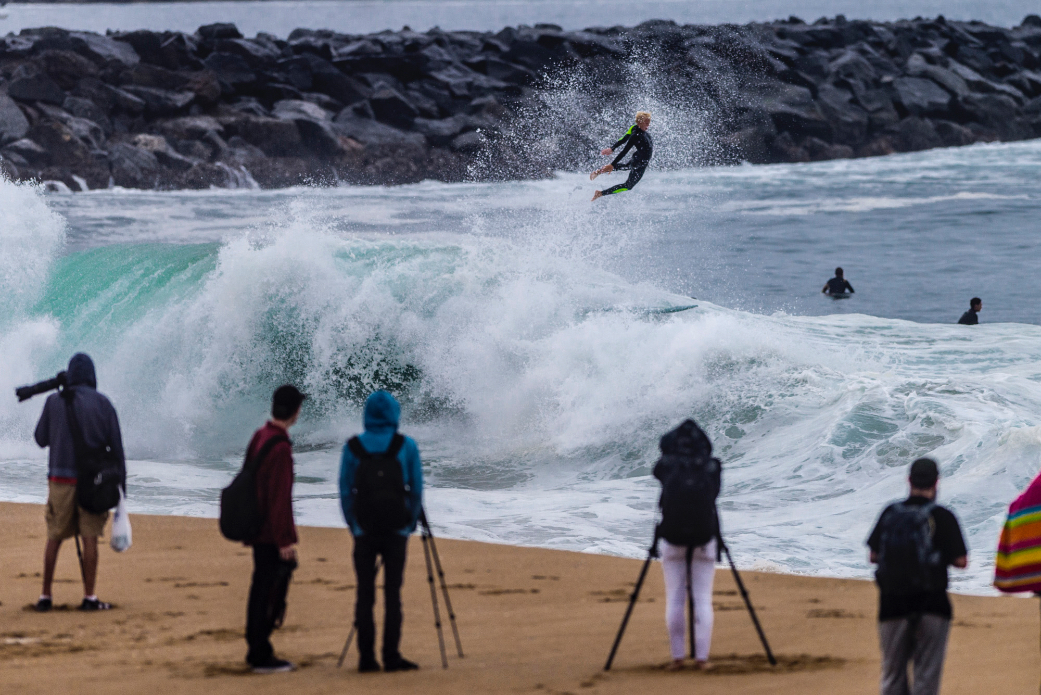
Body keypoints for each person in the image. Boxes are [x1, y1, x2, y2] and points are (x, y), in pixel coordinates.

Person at [33, 353, 126, 612]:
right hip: (93, 483)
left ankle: (45, 596)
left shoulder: (54, 401)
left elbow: (40, 439)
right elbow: (117, 451)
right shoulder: (104, 404)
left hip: (60, 479)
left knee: (54, 537)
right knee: (90, 539)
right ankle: (90, 597)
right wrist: (122, 493)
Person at [867, 458, 968, 695]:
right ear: (937, 482)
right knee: (926, 679)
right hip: (932, 605)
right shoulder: (943, 516)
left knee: (892, 678)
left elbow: (873, 555)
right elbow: (961, 561)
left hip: (892, 604)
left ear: (909, 480)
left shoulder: (891, 512)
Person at [339, 391, 424, 673]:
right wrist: (408, 525)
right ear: (394, 413)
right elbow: (417, 490)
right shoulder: (406, 445)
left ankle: (366, 659)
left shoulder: (353, 447)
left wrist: (355, 525)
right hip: (396, 530)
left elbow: (344, 491)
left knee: (365, 594)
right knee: (392, 594)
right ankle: (391, 656)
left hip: (364, 531)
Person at [243, 384, 306, 674]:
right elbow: (279, 498)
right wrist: (284, 541)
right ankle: (260, 652)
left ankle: (256, 647)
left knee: (260, 587)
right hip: (270, 532)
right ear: (295, 412)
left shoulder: (260, 436)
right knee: (269, 590)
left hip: (255, 525)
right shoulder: (280, 448)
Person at [652, 419, 721, 671]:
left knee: (675, 599)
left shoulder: (666, 466)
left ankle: (678, 658)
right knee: (702, 598)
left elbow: (658, 468)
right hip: (705, 538)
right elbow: (715, 493)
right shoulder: (712, 467)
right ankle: (702, 660)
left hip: (672, 537)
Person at [590, 110, 653, 201]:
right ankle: (600, 193)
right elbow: (624, 151)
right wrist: (612, 164)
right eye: (646, 123)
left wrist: (612, 148)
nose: (648, 125)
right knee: (628, 186)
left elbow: (624, 138)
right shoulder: (635, 135)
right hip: (640, 162)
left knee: (626, 166)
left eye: (649, 123)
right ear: (640, 122)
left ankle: (600, 171)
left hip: (638, 158)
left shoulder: (634, 128)